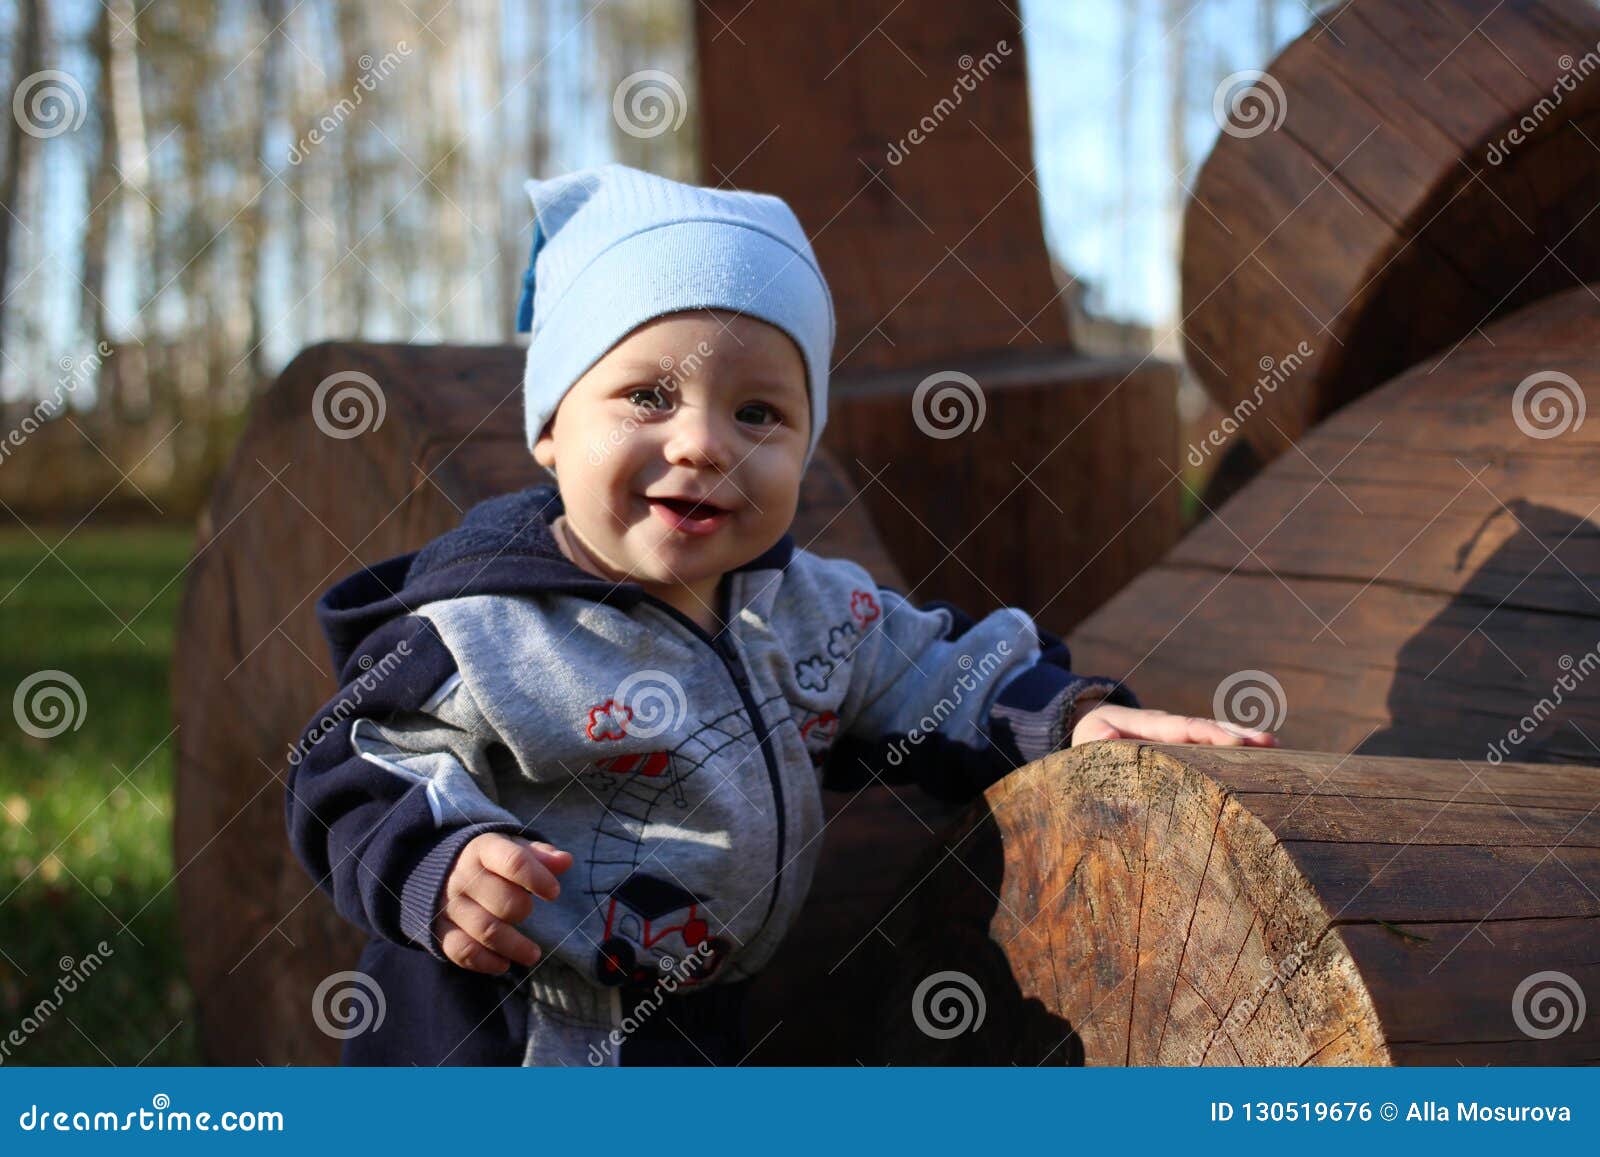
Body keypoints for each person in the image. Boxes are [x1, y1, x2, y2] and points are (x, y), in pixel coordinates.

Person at [283, 162, 1277, 1068]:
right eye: (649, 395)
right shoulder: (482, 627)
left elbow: (935, 675)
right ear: (550, 426)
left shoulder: (808, 612)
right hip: (495, 1022)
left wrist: (1068, 719)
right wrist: (442, 861)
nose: (704, 443)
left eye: (758, 412)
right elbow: (355, 761)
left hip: (689, 1010)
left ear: (805, 443)